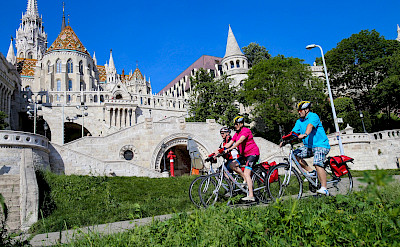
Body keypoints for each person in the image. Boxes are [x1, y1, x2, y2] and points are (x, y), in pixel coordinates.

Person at [287, 101, 331, 196]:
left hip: (321, 145)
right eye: (298, 110)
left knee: (317, 162)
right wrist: (285, 140)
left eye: (300, 110)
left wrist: (305, 134)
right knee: (294, 155)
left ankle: (324, 188)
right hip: (309, 147)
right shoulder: (299, 121)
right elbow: (294, 132)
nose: (299, 112)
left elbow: (310, 126)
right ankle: (311, 172)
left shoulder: (313, 116)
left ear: (306, 110)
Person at [224, 116, 260, 202]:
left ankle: (251, 195)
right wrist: (217, 152)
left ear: (241, 124)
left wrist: (230, 149)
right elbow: (229, 143)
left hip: (253, 154)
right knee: (232, 165)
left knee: (247, 173)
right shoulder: (236, 133)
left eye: (236, 124)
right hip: (244, 155)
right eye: (235, 124)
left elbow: (239, 141)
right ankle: (245, 179)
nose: (235, 126)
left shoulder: (246, 131)